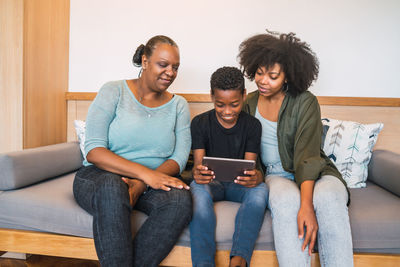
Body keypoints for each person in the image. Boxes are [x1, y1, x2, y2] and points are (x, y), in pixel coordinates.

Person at [73, 35, 192, 267]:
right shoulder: (113, 91)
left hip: (152, 182)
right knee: (112, 186)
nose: (170, 72)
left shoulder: (179, 105)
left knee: (180, 200)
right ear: (145, 61)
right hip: (100, 176)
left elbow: (178, 158)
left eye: (175, 67)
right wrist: (145, 174)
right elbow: (94, 151)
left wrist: (142, 183)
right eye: (163, 64)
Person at [238, 31, 353, 267]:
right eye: (259, 73)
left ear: (288, 76)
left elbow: (308, 158)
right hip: (275, 174)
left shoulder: (305, 101)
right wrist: (255, 174)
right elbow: (246, 148)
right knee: (284, 201)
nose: (263, 80)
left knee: (329, 198)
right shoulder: (248, 103)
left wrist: (307, 206)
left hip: (316, 173)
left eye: (272, 76)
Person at [189, 66, 269, 267]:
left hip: (237, 185)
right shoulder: (199, 123)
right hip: (210, 184)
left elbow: (250, 167)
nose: (227, 112)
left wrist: (256, 177)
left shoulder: (252, 125)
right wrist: (198, 173)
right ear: (211, 97)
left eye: (234, 104)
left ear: (243, 95)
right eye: (220, 105)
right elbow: (198, 166)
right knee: (197, 192)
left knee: (260, 192)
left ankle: (239, 259)